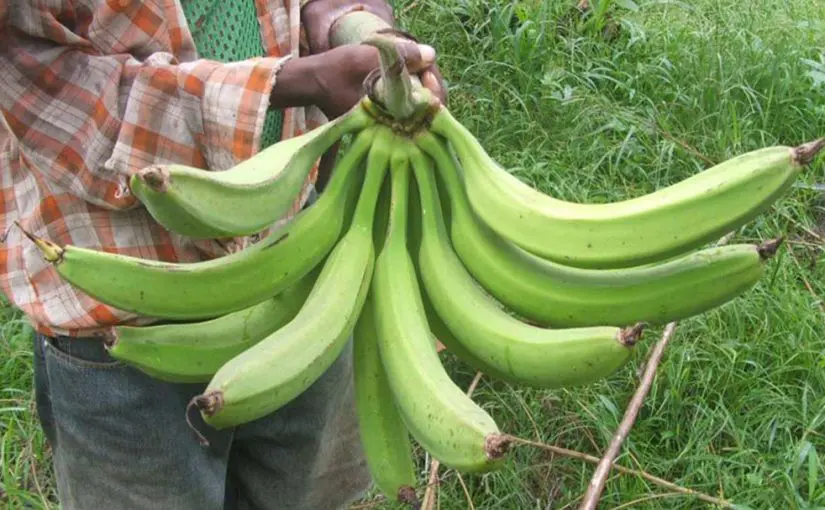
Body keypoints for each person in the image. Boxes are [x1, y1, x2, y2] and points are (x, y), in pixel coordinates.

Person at [0, 1, 446, 509]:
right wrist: (301, 82)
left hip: (305, 270)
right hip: (126, 318)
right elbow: (57, 89)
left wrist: (352, 18)